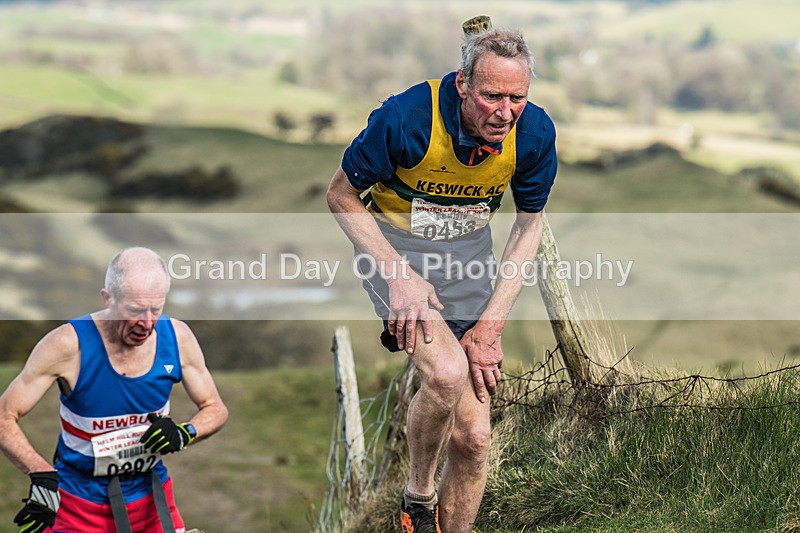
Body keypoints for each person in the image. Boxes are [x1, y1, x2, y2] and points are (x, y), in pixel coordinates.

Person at [326, 17, 557, 533]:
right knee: (447, 372)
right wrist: (398, 276)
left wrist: (492, 325)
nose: (505, 112)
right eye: (492, 95)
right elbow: (340, 195)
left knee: (475, 438)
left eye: (516, 97)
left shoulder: (535, 133)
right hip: (394, 254)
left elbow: (528, 226)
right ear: (463, 85)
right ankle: (418, 498)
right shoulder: (406, 118)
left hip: (467, 260)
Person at [0, 247, 229, 533]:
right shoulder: (67, 344)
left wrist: (185, 433)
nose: (147, 323)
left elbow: (215, 408)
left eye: (156, 309)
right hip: (76, 503)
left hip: (151, 501)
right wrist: (41, 473)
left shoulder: (177, 337)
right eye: (134, 310)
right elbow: (4, 415)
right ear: (108, 298)